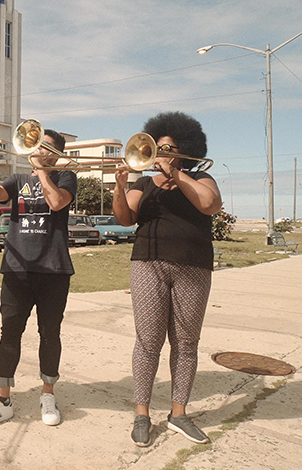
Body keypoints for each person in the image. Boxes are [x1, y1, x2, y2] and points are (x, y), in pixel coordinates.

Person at [112, 111, 221, 447]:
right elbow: (124, 218)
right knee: (147, 342)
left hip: (194, 266)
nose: (160, 154)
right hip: (148, 264)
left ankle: (178, 414)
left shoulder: (201, 178)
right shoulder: (144, 183)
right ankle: (142, 414)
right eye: (157, 148)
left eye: (168, 149)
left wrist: (177, 174)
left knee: (186, 344)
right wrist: (120, 186)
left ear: (184, 150)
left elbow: (209, 204)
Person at [0, 129, 77, 430]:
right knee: (9, 333)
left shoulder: (65, 176)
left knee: (50, 333)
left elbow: (57, 203)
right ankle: (1, 400)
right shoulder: (18, 180)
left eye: (45, 146)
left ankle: (48, 393)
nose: (37, 149)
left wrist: (43, 171)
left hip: (54, 269)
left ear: (56, 153)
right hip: (17, 268)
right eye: (36, 144)